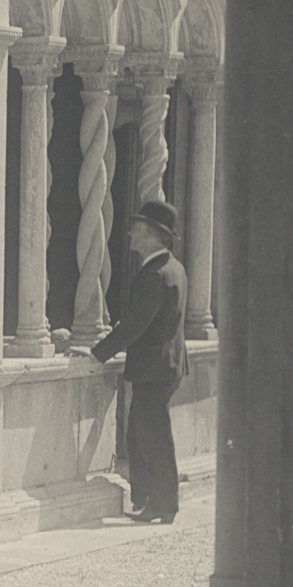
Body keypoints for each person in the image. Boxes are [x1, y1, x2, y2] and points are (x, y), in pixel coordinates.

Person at [66, 199, 189, 524]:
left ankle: (163, 504)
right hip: (164, 366)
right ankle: (150, 499)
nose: (131, 234)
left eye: (137, 229)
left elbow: (136, 324)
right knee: (144, 432)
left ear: (151, 236)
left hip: (155, 369)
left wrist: (96, 353)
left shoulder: (157, 274)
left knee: (152, 435)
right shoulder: (172, 267)